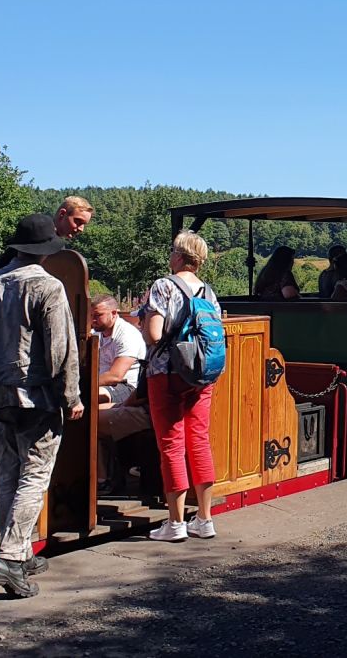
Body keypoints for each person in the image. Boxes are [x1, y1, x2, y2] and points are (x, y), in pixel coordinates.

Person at [0, 214, 84, 598]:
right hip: (36, 394)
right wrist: (71, 396)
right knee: (35, 474)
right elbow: (62, 349)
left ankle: (21, 551)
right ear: (46, 252)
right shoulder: (49, 287)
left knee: (8, 470)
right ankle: (11, 558)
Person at [139, 230, 220, 542]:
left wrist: (145, 324)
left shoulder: (164, 285)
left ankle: (175, 524)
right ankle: (205, 519)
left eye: (172, 250)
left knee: (171, 444)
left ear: (179, 256)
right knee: (199, 440)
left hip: (167, 372)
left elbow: (155, 335)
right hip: (201, 373)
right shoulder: (207, 291)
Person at [92, 295, 144, 408]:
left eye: (98, 315)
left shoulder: (128, 335)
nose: (93, 320)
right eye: (91, 316)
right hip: (100, 383)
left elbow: (115, 376)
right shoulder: (95, 333)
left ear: (114, 313)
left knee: (90, 396)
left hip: (126, 386)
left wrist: (82, 385)